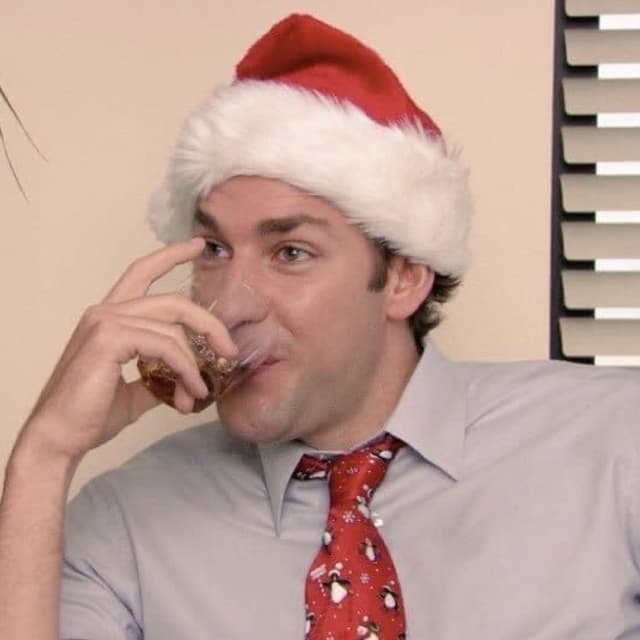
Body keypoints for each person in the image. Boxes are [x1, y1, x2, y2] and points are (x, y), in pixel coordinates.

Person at [1, 13, 639, 640]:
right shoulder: (125, 525)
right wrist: (45, 453)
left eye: (290, 252)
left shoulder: (613, 443)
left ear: (403, 278)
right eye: (214, 251)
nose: (230, 305)